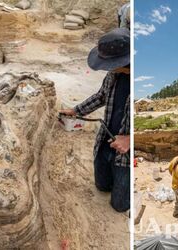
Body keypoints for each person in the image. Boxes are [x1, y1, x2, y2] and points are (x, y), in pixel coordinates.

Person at [59, 28, 130, 212]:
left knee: (119, 205)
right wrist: (76, 110)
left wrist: (129, 140)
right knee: (101, 184)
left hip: (126, 152)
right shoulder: (114, 75)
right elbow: (101, 97)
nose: (105, 68)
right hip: (107, 136)